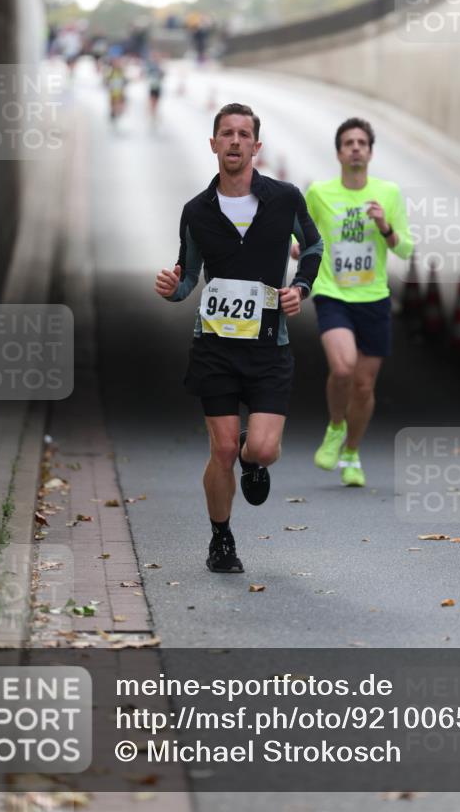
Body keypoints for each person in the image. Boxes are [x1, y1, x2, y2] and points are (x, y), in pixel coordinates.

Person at [155, 103, 323, 574]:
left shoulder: (285, 198)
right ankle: (221, 541)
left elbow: (313, 246)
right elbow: (187, 277)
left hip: (271, 347)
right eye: (226, 133)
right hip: (215, 349)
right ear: (213, 144)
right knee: (221, 450)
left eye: (243, 134)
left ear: (256, 146)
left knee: (262, 450)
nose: (234, 141)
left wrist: (300, 288)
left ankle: (254, 457)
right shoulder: (196, 211)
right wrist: (174, 289)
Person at [304, 117, 412, 487]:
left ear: (369, 152)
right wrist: (297, 247)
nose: (354, 148)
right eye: (348, 142)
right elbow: (298, 229)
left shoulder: (389, 194)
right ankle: (336, 426)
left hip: (374, 298)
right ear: (338, 152)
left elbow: (407, 247)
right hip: (332, 292)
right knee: (344, 368)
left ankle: (351, 451)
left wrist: (385, 226)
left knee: (364, 387)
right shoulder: (319, 192)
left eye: (361, 143)